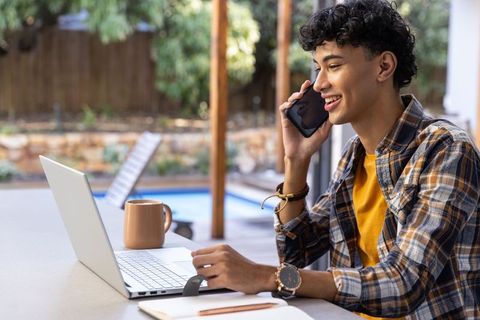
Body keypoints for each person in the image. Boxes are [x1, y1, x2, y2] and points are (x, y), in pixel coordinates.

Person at [191, 1, 480, 319]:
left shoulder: (446, 150)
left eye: (334, 65)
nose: (318, 84)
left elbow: (403, 282)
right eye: (318, 68)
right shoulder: (353, 158)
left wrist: (266, 277)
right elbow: (296, 253)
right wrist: (296, 160)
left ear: (384, 67)